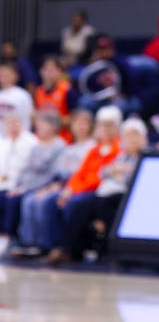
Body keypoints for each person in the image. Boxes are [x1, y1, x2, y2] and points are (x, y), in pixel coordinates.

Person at [45, 115, 145, 266]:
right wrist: (114, 170)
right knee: (78, 206)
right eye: (128, 136)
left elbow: (134, 180)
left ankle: (109, 248)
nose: (131, 140)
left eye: (135, 136)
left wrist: (120, 172)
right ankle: (67, 249)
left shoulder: (142, 157)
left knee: (95, 203)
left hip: (124, 194)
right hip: (105, 191)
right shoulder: (121, 156)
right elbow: (102, 172)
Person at [41, 105, 121, 265]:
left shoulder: (118, 149)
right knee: (51, 201)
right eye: (102, 125)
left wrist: (75, 191)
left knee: (76, 204)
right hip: (81, 189)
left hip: (99, 192)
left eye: (109, 125)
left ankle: (69, 249)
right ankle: (51, 246)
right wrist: (69, 189)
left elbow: (100, 178)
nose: (104, 129)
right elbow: (80, 173)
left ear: (116, 128)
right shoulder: (94, 149)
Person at [12, 109, 93, 259]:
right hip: (62, 183)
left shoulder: (92, 147)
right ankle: (29, 242)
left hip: (78, 187)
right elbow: (58, 172)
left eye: (84, 123)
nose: (80, 127)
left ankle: (48, 244)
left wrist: (62, 187)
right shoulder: (70, 148)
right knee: (31, 199)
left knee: (46, 201)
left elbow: (83, 173)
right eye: (77, 123)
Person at [2, 112, 64, 243]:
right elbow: (26, 170)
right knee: (15, 197)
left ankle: (40, 242)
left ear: (53, 126)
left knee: (29, 201)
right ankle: (26, 241)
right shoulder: (36, 146)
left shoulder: (58, 145)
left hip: (43, 186)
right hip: (25, 185)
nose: (39, 127)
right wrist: (20, 187)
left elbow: (53, 174)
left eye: (42, 124)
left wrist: (29, 188)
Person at [0, 115, 39, 232]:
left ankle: (7, 236)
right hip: (3, 184)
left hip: (22, 185)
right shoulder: (3, 143)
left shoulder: (31, 142)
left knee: (10, 200)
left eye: (15, 123)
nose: (13, 127)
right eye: (9, 124)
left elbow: (32, 169)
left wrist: (21, 187)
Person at [34, 57, 71, 137]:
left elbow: (74, 118)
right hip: (42, 138)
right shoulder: (38, 91)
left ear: (60, 72)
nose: (49, 73)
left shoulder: (67, 90)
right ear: (41, 71)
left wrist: (51, 122)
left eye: (52, 70)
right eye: (46, 70)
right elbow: (35, 114)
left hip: (62, 138)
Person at [0, 62, 33, 129]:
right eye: (1, 74)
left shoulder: (22, 95)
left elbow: (29, 116)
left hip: (18, 135)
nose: (3, 76)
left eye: (6, 74)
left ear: (15, 76)